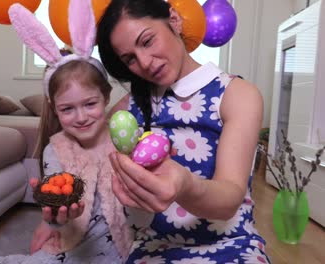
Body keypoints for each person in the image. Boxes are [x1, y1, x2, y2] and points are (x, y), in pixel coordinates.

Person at [96, 0, 271, 263]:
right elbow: (84, 156)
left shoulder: (236, 95)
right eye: (130, 59)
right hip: (154, 246)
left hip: (230, 243)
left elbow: (230, 198)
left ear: (174, 21)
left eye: (147, 41)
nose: (143, 62)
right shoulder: (128, 109)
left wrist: (185, 186)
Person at [0, 0, 133, 263]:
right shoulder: (56, 149)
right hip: (74, 245)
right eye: (68, 109)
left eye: (90, 104)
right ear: (55, 109)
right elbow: (59, 202)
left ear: (106, 96)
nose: (81, 118)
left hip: (124, 246)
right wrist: (54, 216)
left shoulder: (120, 134)